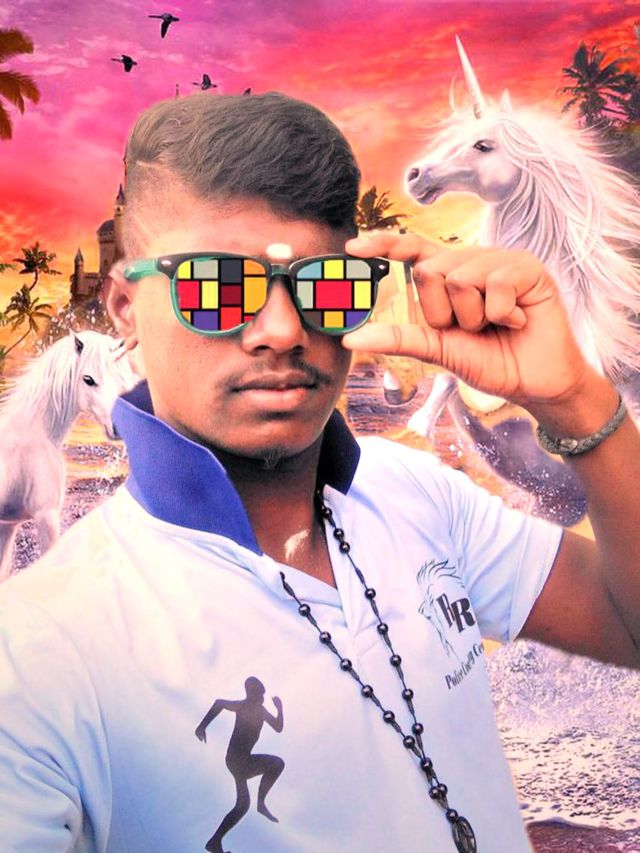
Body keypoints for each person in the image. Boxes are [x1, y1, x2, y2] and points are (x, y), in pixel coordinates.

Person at [0, 91, 638, 853]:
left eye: (324, 285)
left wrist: (576, 401)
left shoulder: (417, 492)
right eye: (216, 285)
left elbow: (628, 620)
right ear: (125, 308)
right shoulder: (36, 650)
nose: (281, 330)